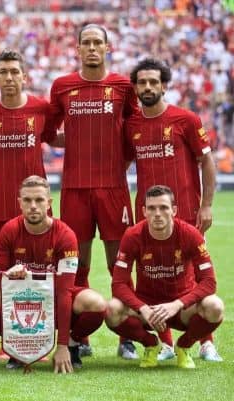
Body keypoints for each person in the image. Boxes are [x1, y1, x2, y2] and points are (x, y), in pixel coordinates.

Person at [48, 24, 138, 359]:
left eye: (97, 43)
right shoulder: (63, 86)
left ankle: (125, 337)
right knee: (76, 262)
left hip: (113, 188)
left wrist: (119, 162)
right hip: (74, 188)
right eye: (85, 43)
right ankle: (78, 335)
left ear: (108, 47)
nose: (91, 48)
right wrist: (74, 142)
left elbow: (135, 132)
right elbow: (47, 129)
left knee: (119, 262)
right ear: (77, 48)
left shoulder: (122, 86)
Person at [125, 57, 221, 361]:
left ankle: (205, 342)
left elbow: (207, 161)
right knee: (151, 275)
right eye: (142, 82)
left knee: (192, 276)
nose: (148, 87)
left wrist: (206, 205)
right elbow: (123, 162)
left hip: (186, 211)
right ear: (136, 88)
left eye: (154, 81)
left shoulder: (187, 120)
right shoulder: (132, 126)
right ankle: (165, 343)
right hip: (148, 215)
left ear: (164, 85)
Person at [0, 175, 107, 371]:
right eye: (28, 200)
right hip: (24, 301)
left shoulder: (65, 235)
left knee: (96, 303)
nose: (33, 206)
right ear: (19, 203)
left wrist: (62, 345)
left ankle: (73, 344)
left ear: (49, 203)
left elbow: (65, 292)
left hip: (56, 300)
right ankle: (17, 344)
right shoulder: (10, 229)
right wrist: (7, 274)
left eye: (39, 200)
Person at [105, 185, 224, 369]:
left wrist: (177, 304)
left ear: (174, 210)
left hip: (182, 308)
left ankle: (183, 346)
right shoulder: (132, 235)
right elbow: (118, 284)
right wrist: (142, 308)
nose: (157, 214)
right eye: (151, 208)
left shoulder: (190, 234)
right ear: (144, 211)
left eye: (163, 207)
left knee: (215, 306)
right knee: (112, 310)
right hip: (148, 309)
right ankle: (151, 344)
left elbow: (209, 282)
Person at [0, 49, 57, 261]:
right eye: (4, 72)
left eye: (15, 72)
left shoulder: (42, 108)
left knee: (44, 274)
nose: (9, 77)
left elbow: (51, 137)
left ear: (24, 77)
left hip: (37, 208)